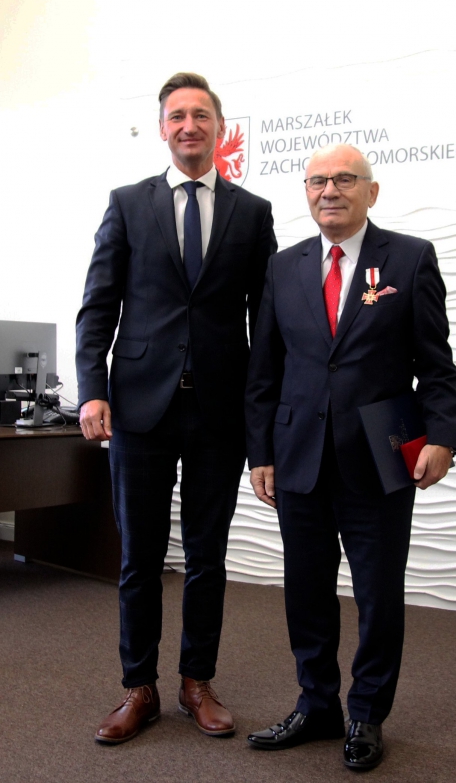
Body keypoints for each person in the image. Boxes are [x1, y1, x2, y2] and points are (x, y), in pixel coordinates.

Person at [245, 144, 456, 771]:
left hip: (380, 456)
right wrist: (260, 451)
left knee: (378, 594)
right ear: (306, 192)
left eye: (344, 179)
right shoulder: (282, 266)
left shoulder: (410, 258)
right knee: (306, 591)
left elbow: (436, 366)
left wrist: (442, 436)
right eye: (317, 181)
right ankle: (316, 704)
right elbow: (265, 371)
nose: (329, 191)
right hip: (298, 457)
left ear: (372, 191)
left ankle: (366, 711)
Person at [76, 72, 277, 744]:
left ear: (220, 127)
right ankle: (139, 687)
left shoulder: (253, 213)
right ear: (163, 128)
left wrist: (264, 414)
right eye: (177, 115)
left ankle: (197, 681)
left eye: (201, 115)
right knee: (138, 557)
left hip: (220, 409)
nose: (189, 125)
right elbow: (98, 305)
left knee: (207, 556)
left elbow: (266, 322)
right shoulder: (128, 204)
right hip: (140, 408)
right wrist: (93, 387)